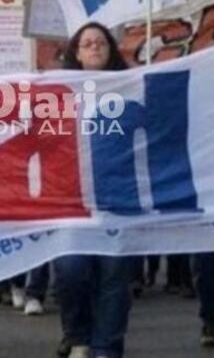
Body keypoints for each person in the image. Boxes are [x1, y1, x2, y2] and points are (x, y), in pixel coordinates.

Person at [53, 22, 132, 358]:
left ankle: (107, 346)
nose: (95, 47)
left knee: (115, 275)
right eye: (87, 43)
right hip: (71, 199)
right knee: (71, 271)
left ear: (111, 50)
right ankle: (78, 335)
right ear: (77, 53)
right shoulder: (57, 92)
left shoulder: (133, 87)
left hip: (119, 198)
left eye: (101, 42)